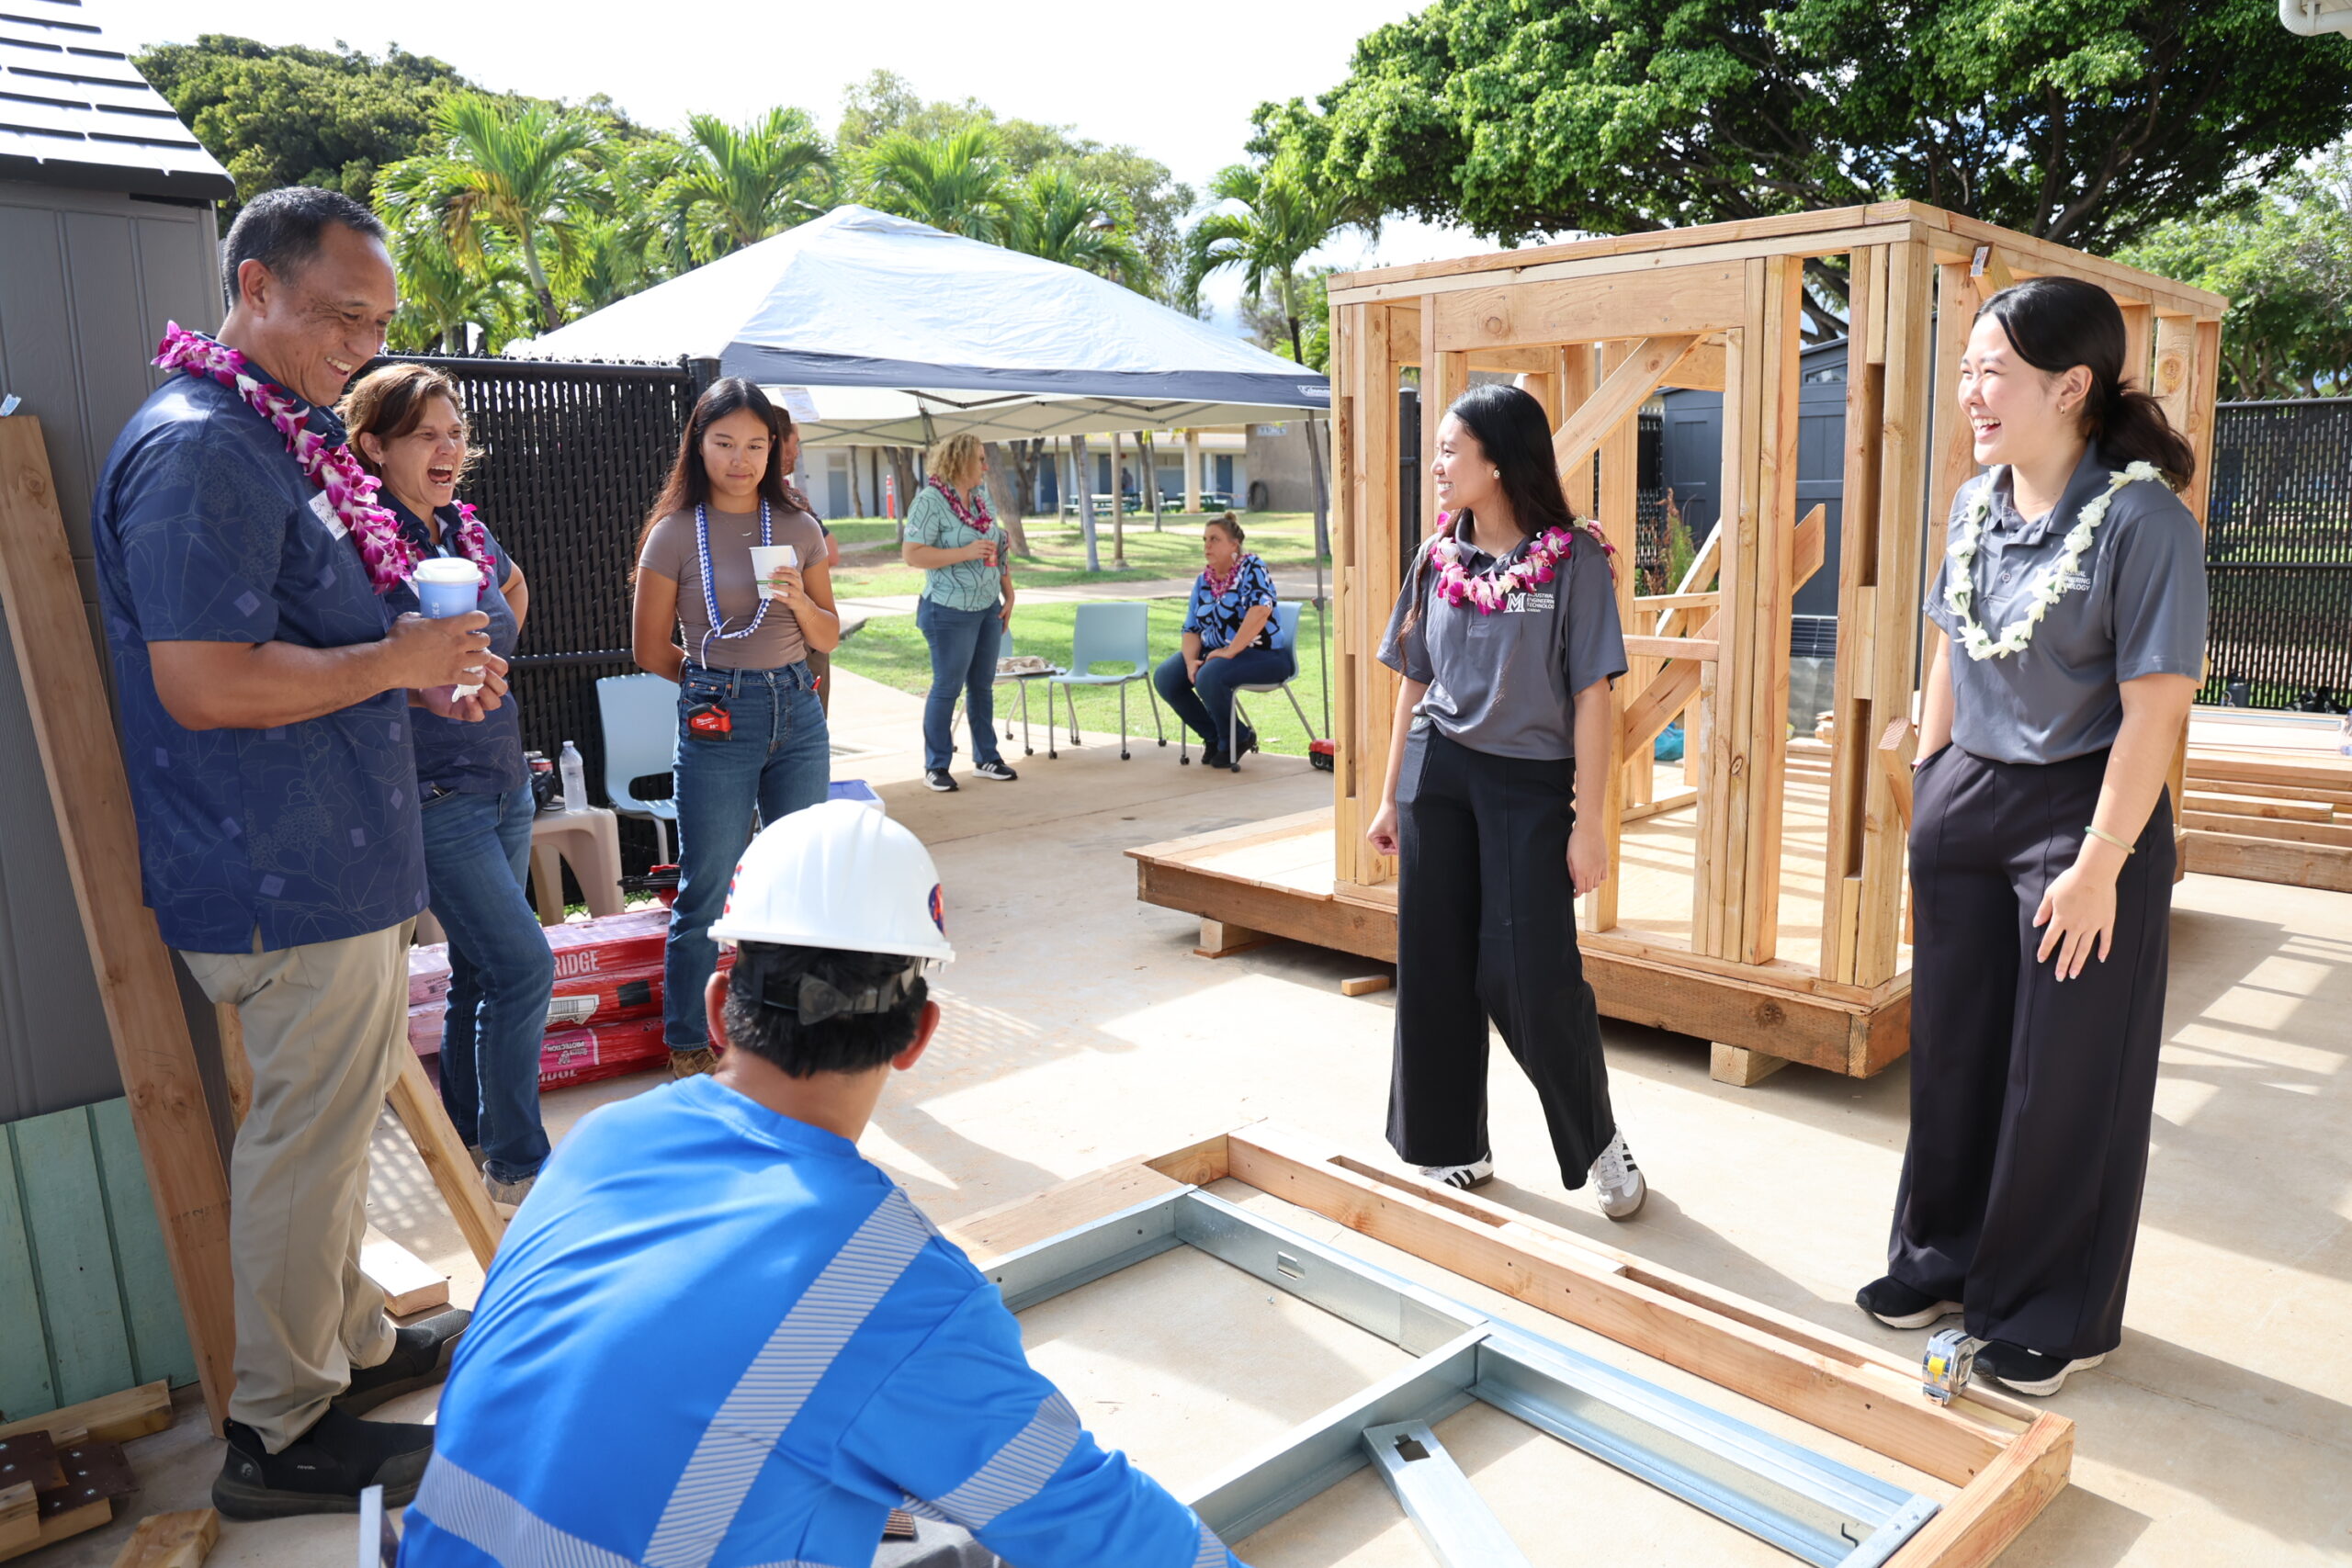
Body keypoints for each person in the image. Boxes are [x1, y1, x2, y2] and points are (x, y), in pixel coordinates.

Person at [399, 802, 1247, 1568]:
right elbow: (1100, 1529)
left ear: (720, 997)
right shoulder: (892, 1287)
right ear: (918, 1034)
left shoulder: (599, 1142)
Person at [91, 186, 491, 1517]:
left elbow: (321, 641)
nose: (359, 345)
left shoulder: (285, 438)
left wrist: (420, 671)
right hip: (279, 874)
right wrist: (395, 658)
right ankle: (276, 1428)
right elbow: (202, 680)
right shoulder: (201, 448)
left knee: (328, 1127)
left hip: (338, 860)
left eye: (378, 323)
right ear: (253, 288)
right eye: (338, 316)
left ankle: (358, 1343)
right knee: (305, 1147)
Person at [1857, 277, 2207, 1398]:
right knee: (1954, 1051)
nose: (1970, 391)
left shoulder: (2143, 519)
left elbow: (2155, 706)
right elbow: (1949, 650)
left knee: (2063, 1075)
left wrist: (2103, 862)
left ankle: (2048, 1309)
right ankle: (1941, 1261)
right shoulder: (1972, 505)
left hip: (2084, 812)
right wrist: (1930, 783)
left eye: (1990, 369)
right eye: (1964, 369)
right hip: (1970, 800)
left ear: (2070, 385)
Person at [1365, 383, 1645, 1218]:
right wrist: (1389, 799)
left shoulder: (1573, 561)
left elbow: (1594, 695)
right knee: (1435, 965)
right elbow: (1414, 684)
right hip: (1437, 775)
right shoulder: (1435, 559)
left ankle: (1597, 1139)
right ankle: (1450, 1145)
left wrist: (1589, 824)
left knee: (1530, 971)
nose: (1439, 464)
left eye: (1452, 449)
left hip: (1528, 782)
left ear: (1497, 457)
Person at [343, 363, 554, 1215]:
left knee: (480, 971)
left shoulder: (464, 530)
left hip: (503, 778)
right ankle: (520, 1167)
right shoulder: (357, 540)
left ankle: (473, 1144)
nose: (448, 448)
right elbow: (351, 664)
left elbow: (513, 587)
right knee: (523, 965)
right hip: (432, 793)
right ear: (373, 446)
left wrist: (482, 663)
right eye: (426, 434)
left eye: (455, 432)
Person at [634, 379, 840, 1079]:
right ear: (699, 444)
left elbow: (829, 634)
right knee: (707, 886)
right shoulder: (672, 533)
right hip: (717, 713)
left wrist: (799, 607)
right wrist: (710, 688)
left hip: (797, 709)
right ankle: (689, 1041)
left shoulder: (799, 527)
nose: (741, 458)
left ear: (775, 449)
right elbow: (649, 647)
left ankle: (788, 1028)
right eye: (724, 442)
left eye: (756, 444)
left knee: (796, 880)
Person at [901, 432, 1018, 792]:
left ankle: (987, 757)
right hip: (948, 609)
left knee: (982, 686)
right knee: (947, 687)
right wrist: (964, 553)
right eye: (980, 460)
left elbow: (997, 544)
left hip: (987, 607)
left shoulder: (981, 496)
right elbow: (912, 554)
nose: (986, 466)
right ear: (961, 461)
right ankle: (936, 765)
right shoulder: (930, 501)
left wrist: (1008, 592)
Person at [1151, 513, 1290, 768]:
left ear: (1233, 544)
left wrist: (1229, 651)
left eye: (1214, 539)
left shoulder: (1252, 566)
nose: (1207, 546)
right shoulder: (1203, 581)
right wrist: (1192, 660)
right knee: (1166, 678)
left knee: (1210, 675)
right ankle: (1216, 737)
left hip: (1265, 656)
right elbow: (1191, 628)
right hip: (1214, 652)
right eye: (1205, 540)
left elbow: (1261, 609)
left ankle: (1234, 739)